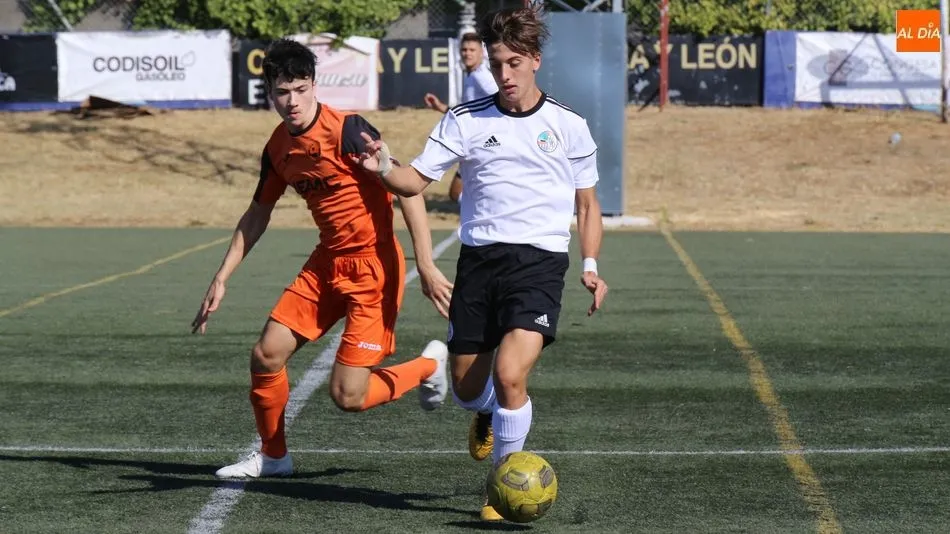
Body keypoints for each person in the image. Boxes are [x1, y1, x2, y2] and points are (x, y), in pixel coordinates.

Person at [352, 6, 608, 520]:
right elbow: (413, 182)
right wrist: (380, 165)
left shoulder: (569, 125)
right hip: (479, 264)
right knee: (470, 390)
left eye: (514, 62)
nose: (505, 74)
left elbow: (587, 205)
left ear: (535, 60)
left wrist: (590, 264)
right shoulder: (464, 119)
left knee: (511, 374)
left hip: (539, 265)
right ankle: (486, 412)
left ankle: (498, 489)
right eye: (496, 64)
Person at [192, 38, 454, 479]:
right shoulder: (278, 147)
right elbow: (258, 213)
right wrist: (222, 276)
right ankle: (274, 457)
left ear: (314, 84)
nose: (292, 101)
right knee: (266, 354)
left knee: (348, 396)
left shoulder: (348, 129)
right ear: (269, 93)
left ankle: (429, 365)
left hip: (373, 269)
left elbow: (408, 190)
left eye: (300, 89)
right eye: (282, 92)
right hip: (326, 263)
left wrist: (424, 265)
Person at [423, 32, 498, 203]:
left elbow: (501, 99)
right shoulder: (471, 75)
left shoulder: (481, 76)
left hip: (482, 143)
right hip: (473, 142)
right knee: (459, 192)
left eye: (472, 50)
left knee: (457, 192)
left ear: (482, 53)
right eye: (464, 50)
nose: (467, 54)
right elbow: (468, 113)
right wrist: (441, 107)